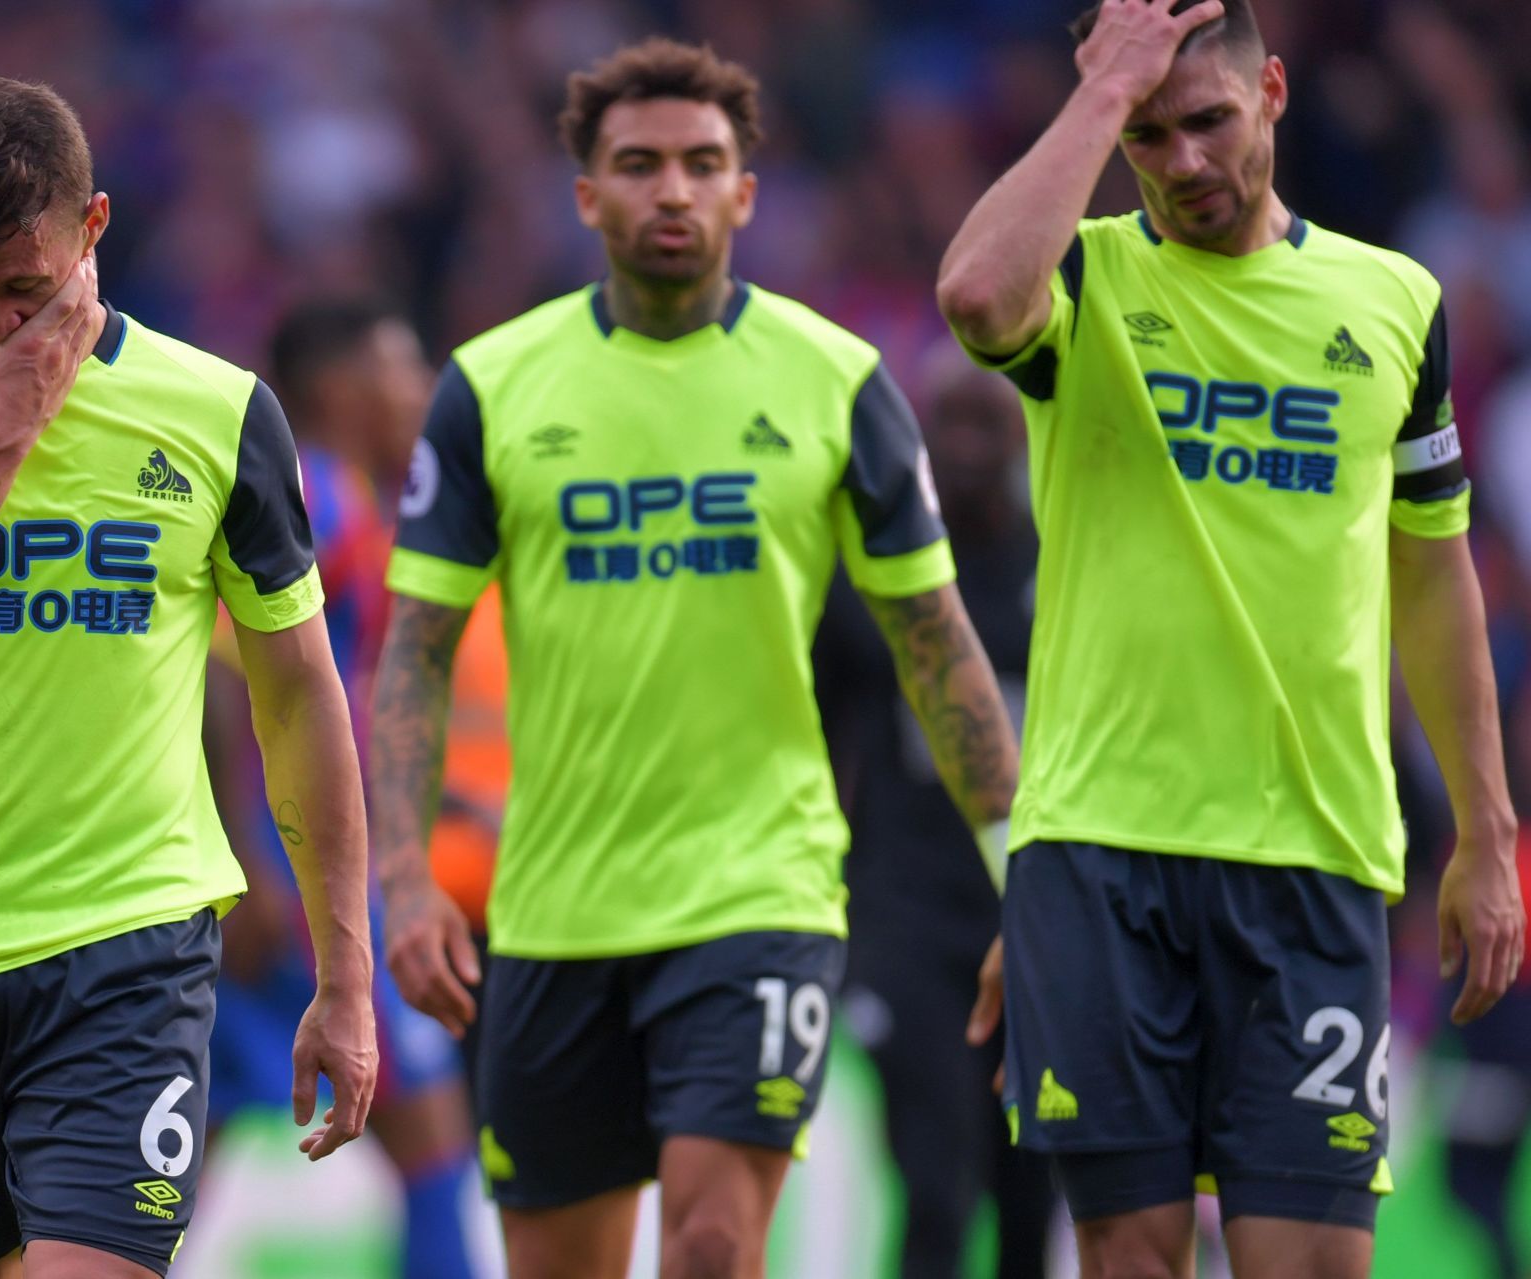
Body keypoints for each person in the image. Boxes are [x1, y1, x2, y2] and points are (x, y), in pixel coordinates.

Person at [371, 38, 1019, 1279]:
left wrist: (1020, 869)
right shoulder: (493, 389)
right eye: (640, 164)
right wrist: (404, 879)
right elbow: (417, 653)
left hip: (758, 893)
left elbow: (936, 642)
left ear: (746, 195)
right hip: (553, 909)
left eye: (702, 164)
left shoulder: (839, 383)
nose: (672, 189)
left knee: (714, 1241)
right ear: (587, 196)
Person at [935, 2, 1527, 1276]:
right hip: (1100, 855)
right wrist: (1104, 97)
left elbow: (1433, 580)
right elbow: (978, 298)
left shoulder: (1394, 302)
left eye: (1207, 121)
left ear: (1271, 90)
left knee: (1311, 1262)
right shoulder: (1085, 279)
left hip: (1312, 853)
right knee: (1132, 1260)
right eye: (1150, 138)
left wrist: (1487, 829)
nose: (1184, 161)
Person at [0, 74, 375, 1279]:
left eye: (26, 291)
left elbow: (300, 693)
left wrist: (345, 970)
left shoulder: (220, 414)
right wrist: (0, 431)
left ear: (93, 226)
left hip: (129, 947)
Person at [202, 300, 484, 1279]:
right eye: (404, 368)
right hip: (292, 870)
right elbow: (228, 681)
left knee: (178, 1151)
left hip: (280, 861)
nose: (424, 391)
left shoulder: (344, 497)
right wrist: (245, 860)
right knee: (433, 1134)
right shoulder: (313, 495)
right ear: (337, 388)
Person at [817, 345, 1053, 1279]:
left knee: (1033, 1190)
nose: (960, 447)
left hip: (1033, 914)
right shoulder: (876, 579)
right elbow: (823, 732)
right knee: (936, 1180)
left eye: (981, 425)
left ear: (1021, 438)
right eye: (943, 425)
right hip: (904, 919)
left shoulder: (1067, 572)